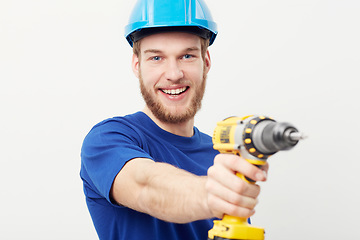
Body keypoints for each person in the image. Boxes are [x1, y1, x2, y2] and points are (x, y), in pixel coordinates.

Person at [80, 0, 268, 239]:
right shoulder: (108, 140)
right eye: (156, 58)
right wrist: (212, 196)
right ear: (137, 66)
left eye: (187, 56)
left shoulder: (223, 156)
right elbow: (145, 185)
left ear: (206, 62)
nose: (173, 74)